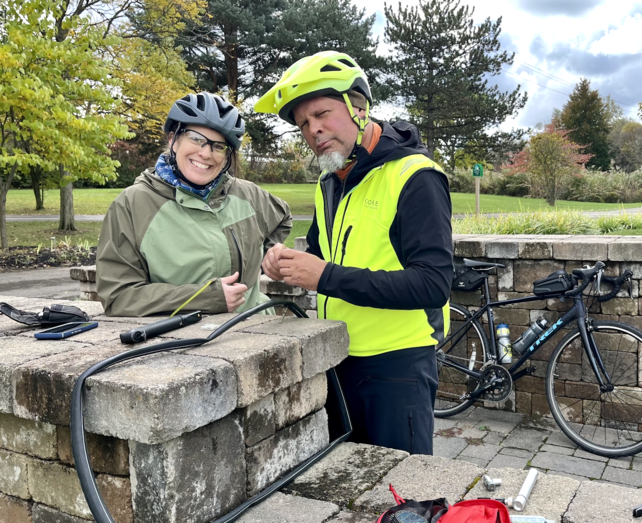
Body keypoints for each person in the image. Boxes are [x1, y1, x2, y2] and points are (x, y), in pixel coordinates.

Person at [254, 51, 453, 455]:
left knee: (402, 503)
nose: (314, 129)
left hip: (397, 369)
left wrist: (324, 276)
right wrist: (280, 262)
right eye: (303, 123)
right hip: (337, 359)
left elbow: (433, 285)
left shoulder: (415, 177)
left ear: (359, 107)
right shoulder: (329, 181)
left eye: (323, 113)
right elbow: (318, 253)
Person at [97, 92, 292, 317]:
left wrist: (269, 255)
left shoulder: (247, 194)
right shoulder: (132, 205)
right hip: (185, 345)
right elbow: (119, 297)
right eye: (196, 139)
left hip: (258, 334)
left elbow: (283, 218)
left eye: (218, 146)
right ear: (173, 139)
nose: (206, 153)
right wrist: (205, 298)